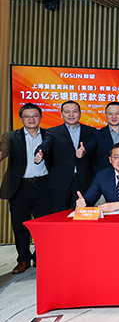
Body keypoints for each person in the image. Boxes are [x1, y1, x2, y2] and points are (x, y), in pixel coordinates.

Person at [0, 103, 51, 274]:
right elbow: (2, 151)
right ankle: (23, 259)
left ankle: (39, 257)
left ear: (40, 117)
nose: (31, 119)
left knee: (42, 225)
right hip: (20, 186)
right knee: (19, 225)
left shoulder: (49, 135)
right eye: (27, 116)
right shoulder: (11, 137)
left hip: (44, 185)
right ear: (21, 118)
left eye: (35, 115)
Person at [37, 101, 96, 212]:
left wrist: (85, 151)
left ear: (80, 113)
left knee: (83, 215)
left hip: (84, 182)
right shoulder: (53, 132)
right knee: (58, 216)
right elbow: (45, 146)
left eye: (75, 111)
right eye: (67, 112)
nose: (71, 115)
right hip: (60, 182)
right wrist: (40, 153)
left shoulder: (91, 131)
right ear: (61, 114)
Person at [80, 102, 119, 173]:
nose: (114, 116)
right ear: (106, 115)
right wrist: (83, 151)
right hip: (104, 173)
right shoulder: (98, 133)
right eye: (110, 114)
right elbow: (89, 147)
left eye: (118, 114)